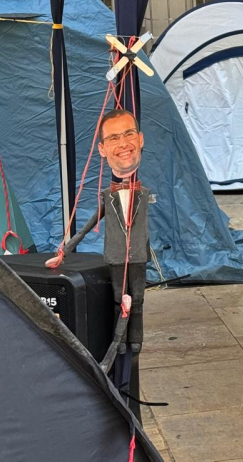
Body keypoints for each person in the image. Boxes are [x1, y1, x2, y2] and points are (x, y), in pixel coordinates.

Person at [47, 108, 150, 361]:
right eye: (113, 138)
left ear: (140, 139)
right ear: (102, 149)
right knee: (118, 299)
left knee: (137, 300)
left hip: (138, 255)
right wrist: (64, 251)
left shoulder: (144, 193)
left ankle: (136, 338)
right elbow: (86, 225)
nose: (123, 143)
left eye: (128, 135)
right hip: (115, 255)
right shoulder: (107, 195)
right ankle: (119, 341)